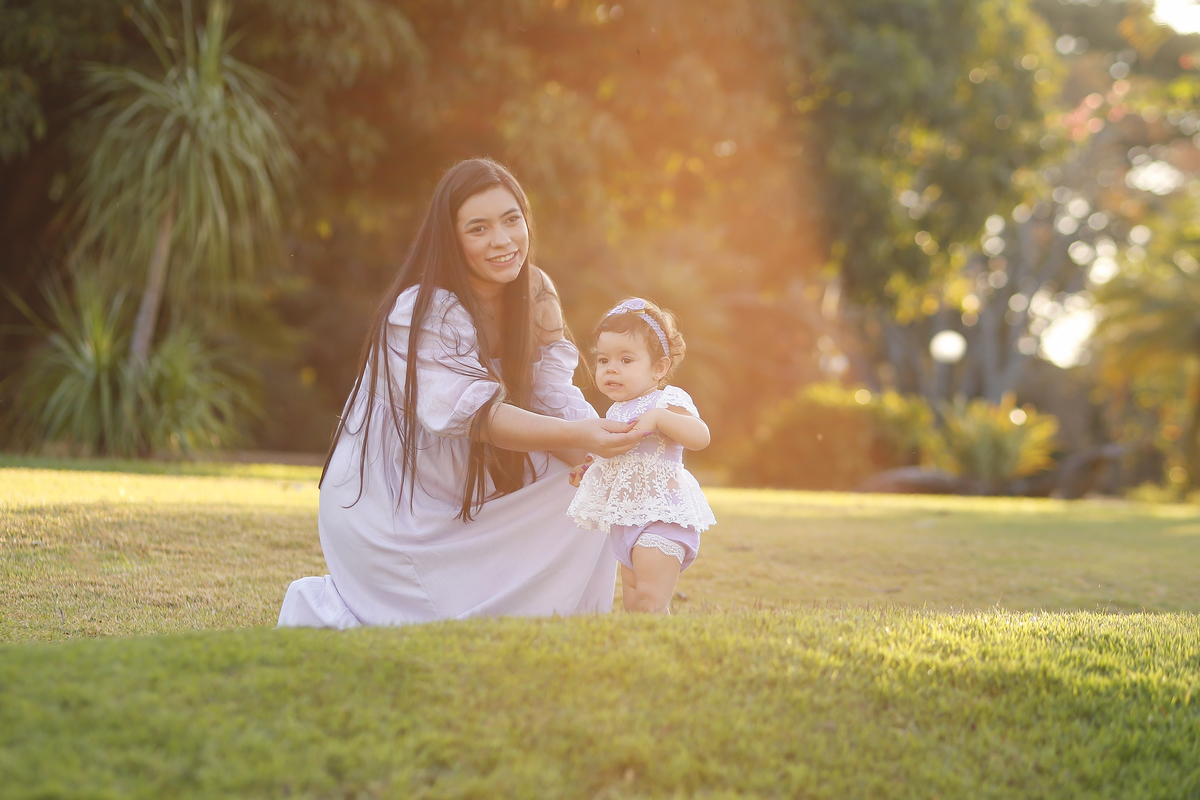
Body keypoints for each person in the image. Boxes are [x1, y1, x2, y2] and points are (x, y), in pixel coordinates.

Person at [277, 158, 644, 628]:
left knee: (594, 490)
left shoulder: (535, 292)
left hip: (470, 483)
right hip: (397, 500)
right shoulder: (424, 308)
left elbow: (554, 398)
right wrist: (585, 435)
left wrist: (601, 459)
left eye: (512, 220)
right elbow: (479, 417)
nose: (502, 240)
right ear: (451, 239)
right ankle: (320, 609)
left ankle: (562, 629)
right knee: (429, 622)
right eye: (479, 228)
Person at [566, 298, 716, 614]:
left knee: (650, 598)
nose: (611, 369)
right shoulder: (615, 410)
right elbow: (618, 456)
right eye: (603, 360)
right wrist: (589, 466)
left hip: (662, 517)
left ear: (658, 368)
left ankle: (667, 652)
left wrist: (660, 419)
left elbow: (701, 437)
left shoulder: (666, 400)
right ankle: (644, 655)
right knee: (633, 603)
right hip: (628, 521)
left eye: (626, 360)